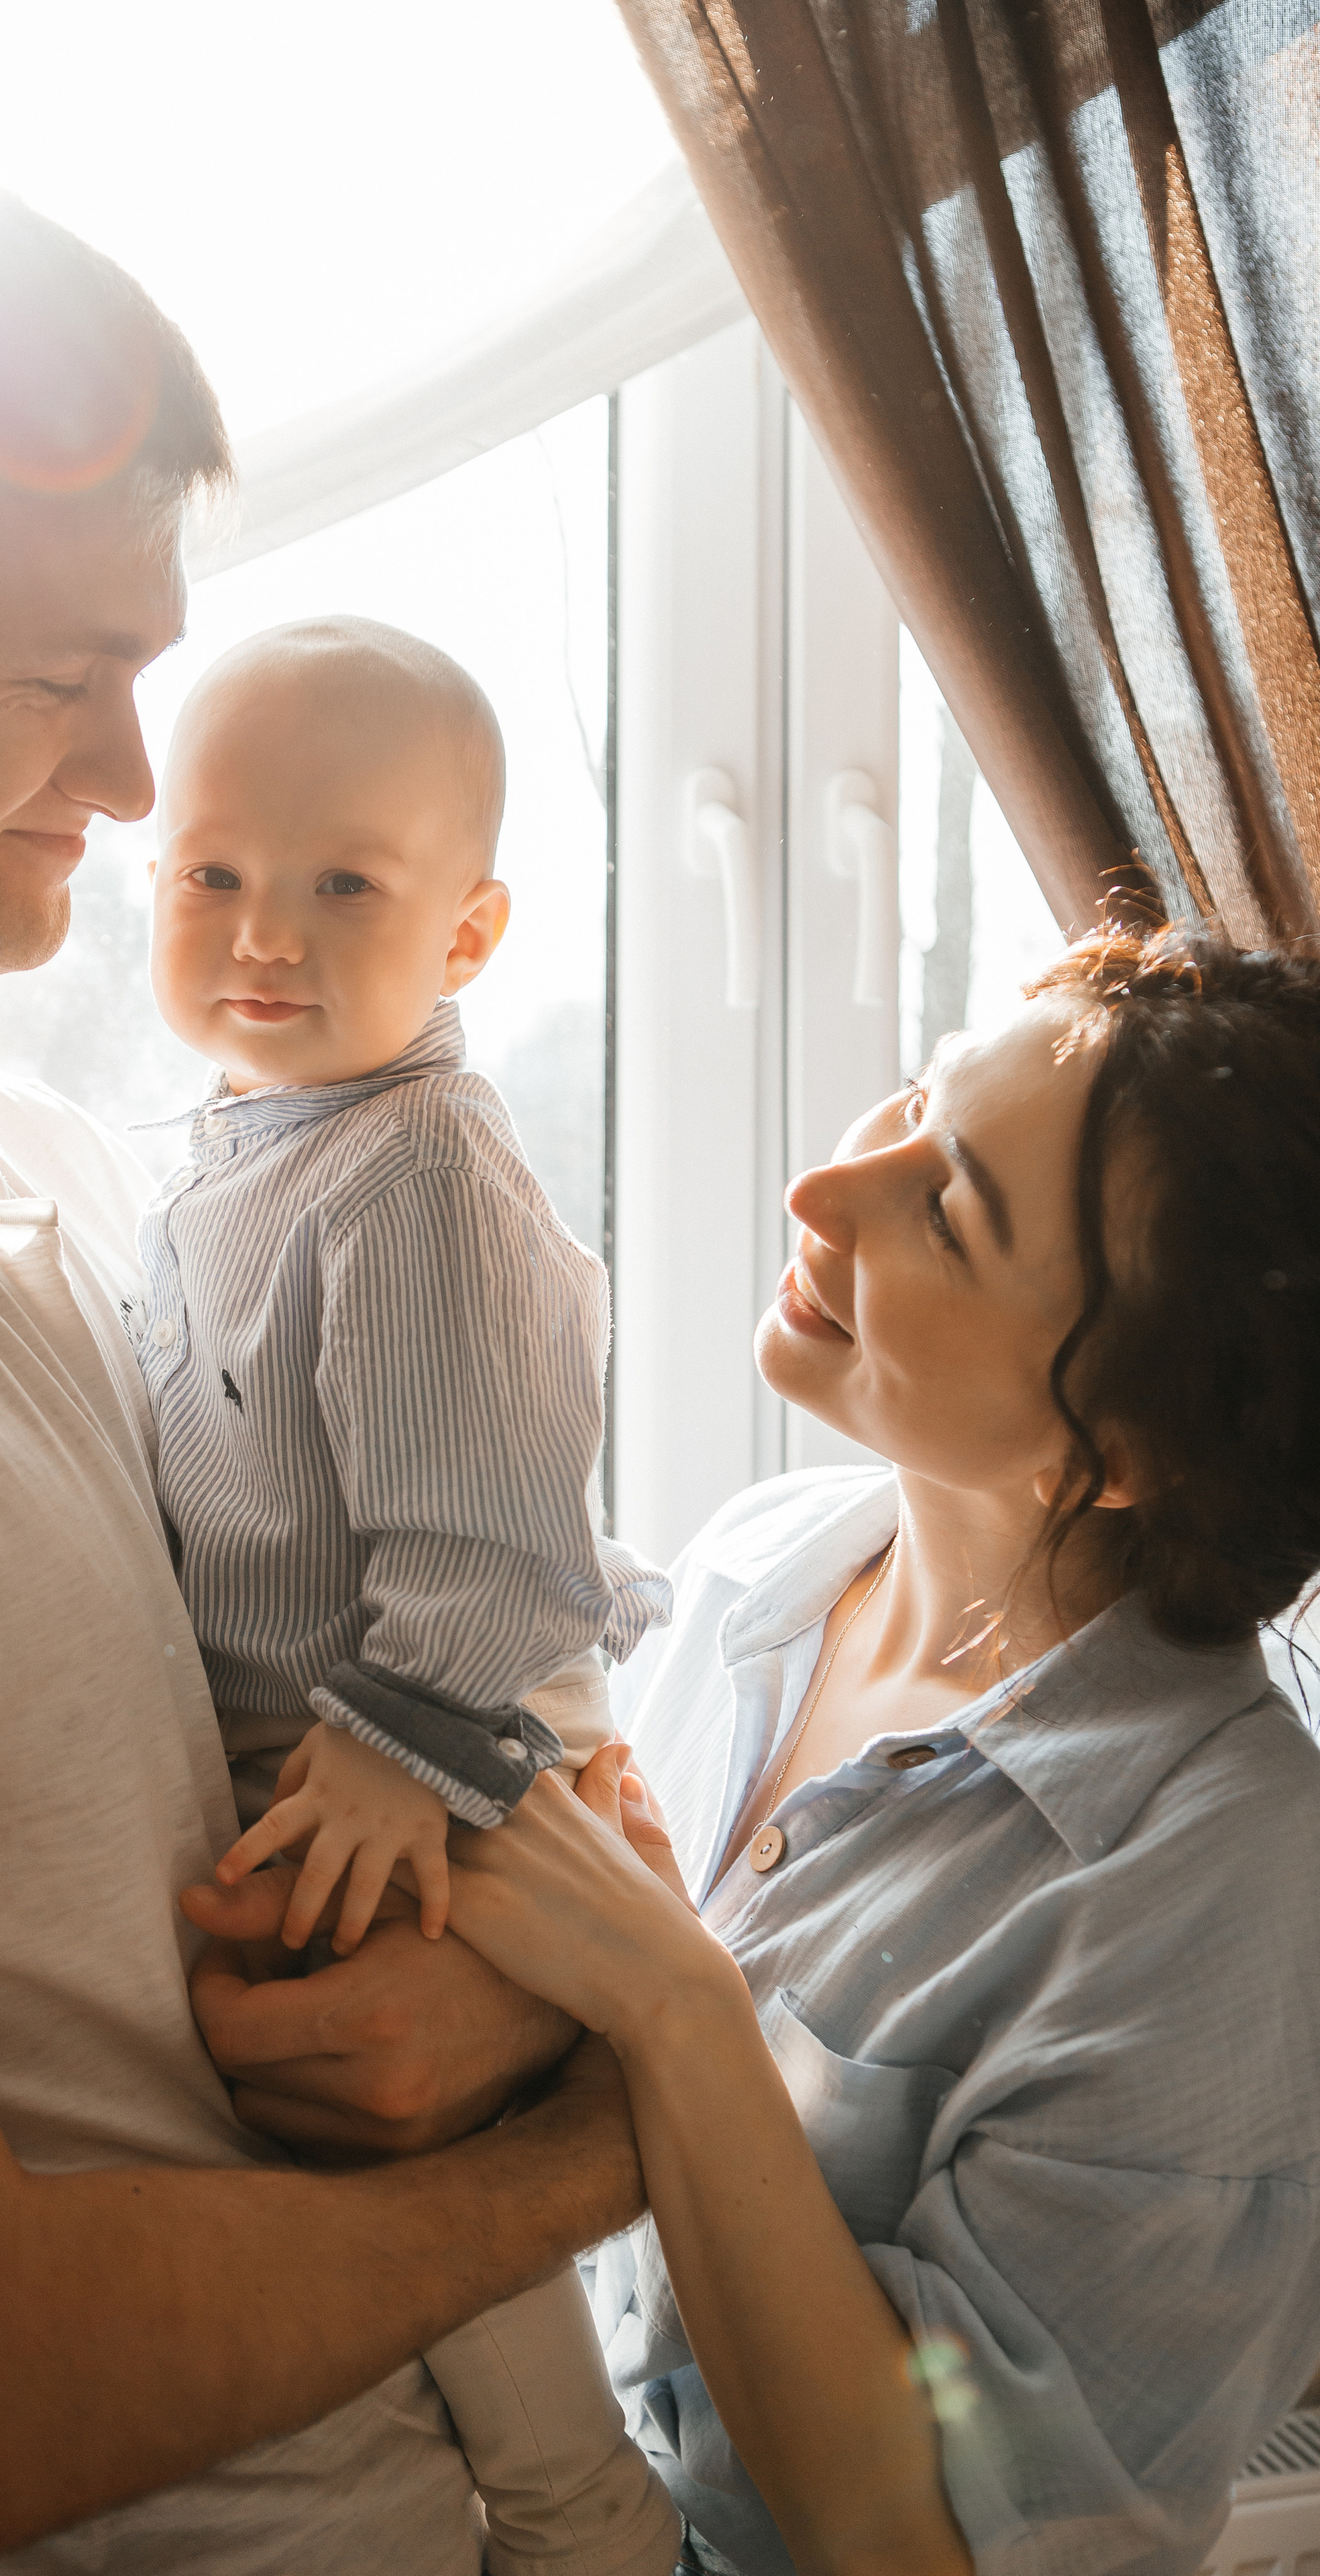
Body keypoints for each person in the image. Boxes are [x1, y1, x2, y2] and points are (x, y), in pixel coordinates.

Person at [0, 119, 647, 2576]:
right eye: (51, 675)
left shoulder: (92, 1183)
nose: (129, 779)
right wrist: (632, 2114)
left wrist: (514, 1984)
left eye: (141, 672)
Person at [445, 927, 1320, 2576]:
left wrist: (671, 2003)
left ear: (1122, 1446)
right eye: (912, 1100)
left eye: (950, 1213)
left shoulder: (1223, 1887)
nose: (825, 1195)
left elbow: (917, 2546)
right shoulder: (755, 1573)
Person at [131, 614, 678, 2573]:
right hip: (344, 1717)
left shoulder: (416, 1171)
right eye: (214, 875)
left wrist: (396, 1754)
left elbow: (486, 1527)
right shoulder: (241, 1144)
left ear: (467, 934)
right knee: (339, 2129)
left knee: (421, 2151)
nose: (262, 932)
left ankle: (581, 2508)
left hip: (434, 1715)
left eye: (341, 885)